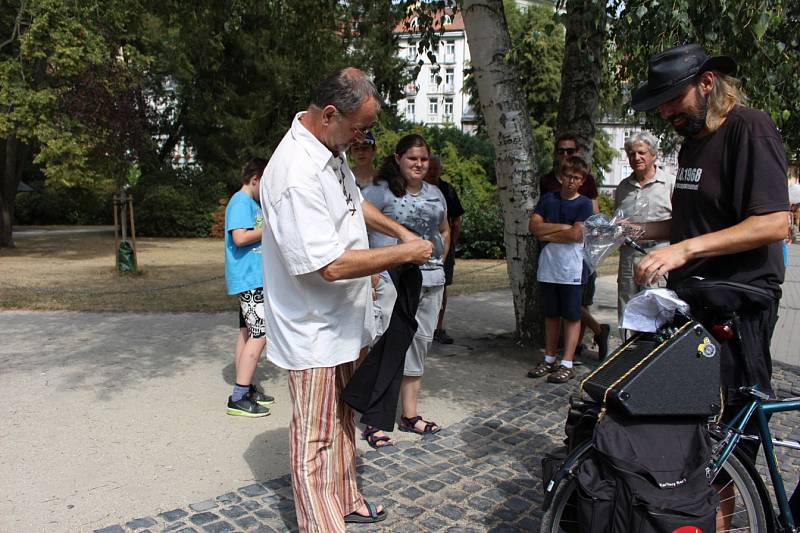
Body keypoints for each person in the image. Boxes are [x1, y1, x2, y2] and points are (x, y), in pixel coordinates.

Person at [259, 68, 433, 532]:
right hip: (312, 327)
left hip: (343, 320)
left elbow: (356, 203)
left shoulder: (328, 148)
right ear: (330, 114)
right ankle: (320, 523)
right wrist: (406, 251)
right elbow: (329, 265)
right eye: (359, 128)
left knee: (344, 416)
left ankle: (345, 497)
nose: (364, 138)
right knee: (315, 432)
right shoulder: (295, 172)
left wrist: (399, 230)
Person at [630, 43, 789, 528]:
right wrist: (642, 232)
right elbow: (693, 223)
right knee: (693, 429)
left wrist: (683, 251)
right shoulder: (695, 139)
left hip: (740, 306)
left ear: (707, 83)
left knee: (729, 438)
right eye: (660, 102)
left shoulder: (750, 128)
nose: (665, 110)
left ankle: (719, 523)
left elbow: (773, 223)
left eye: (672, 98)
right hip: (695, 302)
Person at [363, 134, 450, 436]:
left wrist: (439, 258)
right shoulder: (377, 191)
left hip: (430, 281)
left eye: (424, 159)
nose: (419, 164)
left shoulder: (436, 193)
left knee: (419, 346)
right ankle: (374, 419)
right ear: (398, 158)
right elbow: (356, 227)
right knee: (386, 347)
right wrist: (371, 271)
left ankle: (409, 416)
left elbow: (443, 229)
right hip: (392, 280)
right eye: (412, 158)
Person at [539, 134, 610, 360]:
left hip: (577, 256)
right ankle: (560, 351)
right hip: (550, 256)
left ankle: (577, 348)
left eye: (570, 151)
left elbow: (586, 225)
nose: (565, 155)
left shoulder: (586, 183)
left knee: (576, 305)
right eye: (561, 151)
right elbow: (537, 225)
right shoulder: (547, 183)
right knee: (555, 307)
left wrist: (563, 233)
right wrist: (560, 229)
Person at [527, 156, 594, 383]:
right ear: (561, 177)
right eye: (567, 176)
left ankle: (567, 361)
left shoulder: (584, 203)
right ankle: (549, 356)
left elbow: (577, 235)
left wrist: (548, 232)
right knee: (551, 313)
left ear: (582, 180)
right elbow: (534, 227)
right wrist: (562, 228)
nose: (571, 181)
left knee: (572, 314)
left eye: (576, 178)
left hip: (572, 267)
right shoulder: (548, 199)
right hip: (549, 265)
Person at [223, 157, 274, 417]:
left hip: (255, 277)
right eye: (266, 184)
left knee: (246, 332)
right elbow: (240, 237)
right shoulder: (240, 202)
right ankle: (238, 395)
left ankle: (245, 388)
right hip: (250, 279)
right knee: (260, 333)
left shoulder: (251, 202)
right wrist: (271, 227)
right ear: (255, 180)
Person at [614, 132, 675, 335]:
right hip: (628, 259)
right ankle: (627, 356)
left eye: (641, 153)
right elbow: (617, 218)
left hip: (657, 258)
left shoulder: (669, 184)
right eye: (631, 154)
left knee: (655, 311)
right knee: (627, 308)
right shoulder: (623, 187)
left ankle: (653, 358)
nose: (636, 157)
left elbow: (679, 224)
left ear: (654, 155)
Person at [424, 155, 464, 344]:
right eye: (429, 168)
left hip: (443, 245)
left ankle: (438, 326)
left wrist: (451, 244)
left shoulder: (447, 190)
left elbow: (456, 220)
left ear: (440, 170)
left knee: (442, 285)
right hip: (419, 245)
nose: (432, 172)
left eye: (435, 169)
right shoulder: (415, 187)